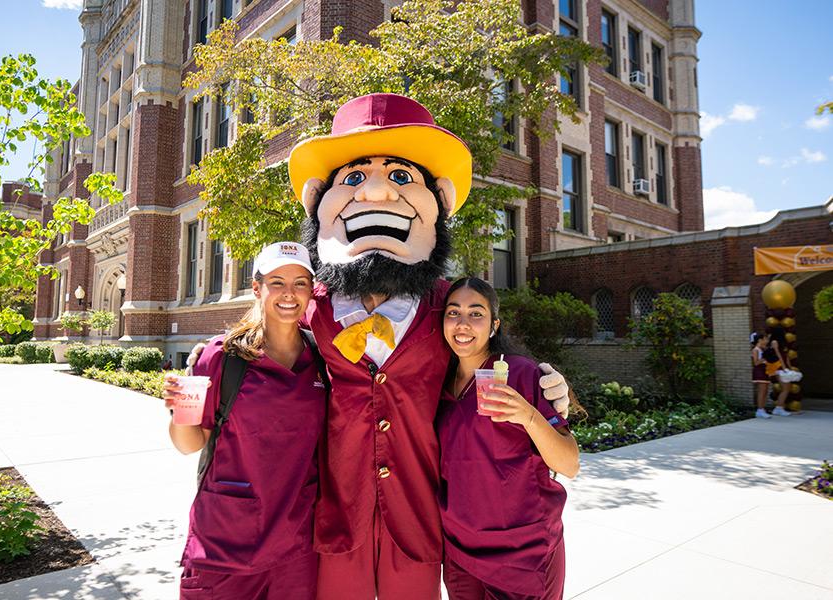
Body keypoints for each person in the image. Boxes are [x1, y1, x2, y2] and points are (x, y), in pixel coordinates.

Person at [178, 94, 573, 600]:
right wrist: (210, 356)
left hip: (417, 516)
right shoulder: (310, 305)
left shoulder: (445, 308)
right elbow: (268, 329)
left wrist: (545, 384)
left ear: (441, 201)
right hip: (337, 514)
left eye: (402, 177)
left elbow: (480, 355)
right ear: (319, 200)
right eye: (355, 178)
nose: (378, 194)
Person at [163, 242, 325, 600]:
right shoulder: (221, 357)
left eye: (300, 283)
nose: (289, 293)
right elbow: (190, 444)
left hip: (296, 547)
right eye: (277, 282)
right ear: (256, 288)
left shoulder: (322, 360)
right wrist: (179, 412)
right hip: (224, 546)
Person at [437, 277, 579, 600]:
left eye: (476, 314)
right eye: (453, 313)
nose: (463, 324)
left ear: (493, 325)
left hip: (523, 556)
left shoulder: (520, 374)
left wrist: (528, 415)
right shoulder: (436, 384)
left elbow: (569, 463)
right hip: (460, 554)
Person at [763, 328, 792, 416]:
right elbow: (778, 355)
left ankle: (780, 408)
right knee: (785, 388)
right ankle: (778, 408)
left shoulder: (783, 343)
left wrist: (789, 367)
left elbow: (785, 356)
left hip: (784, 367)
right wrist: (783, 367)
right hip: (778, 367)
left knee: (787, 388)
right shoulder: (774, 342)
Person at [750, 332, 773, 418]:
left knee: (765, 390)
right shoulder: (755, 349)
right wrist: (764, 357)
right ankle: (759, 410)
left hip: (765, 370)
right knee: (762, 391)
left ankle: (762, 408)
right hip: (759, 370)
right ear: (760, 340)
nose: (767, 341)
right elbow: (756, 363)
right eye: (765, 339)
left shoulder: (762, 349)